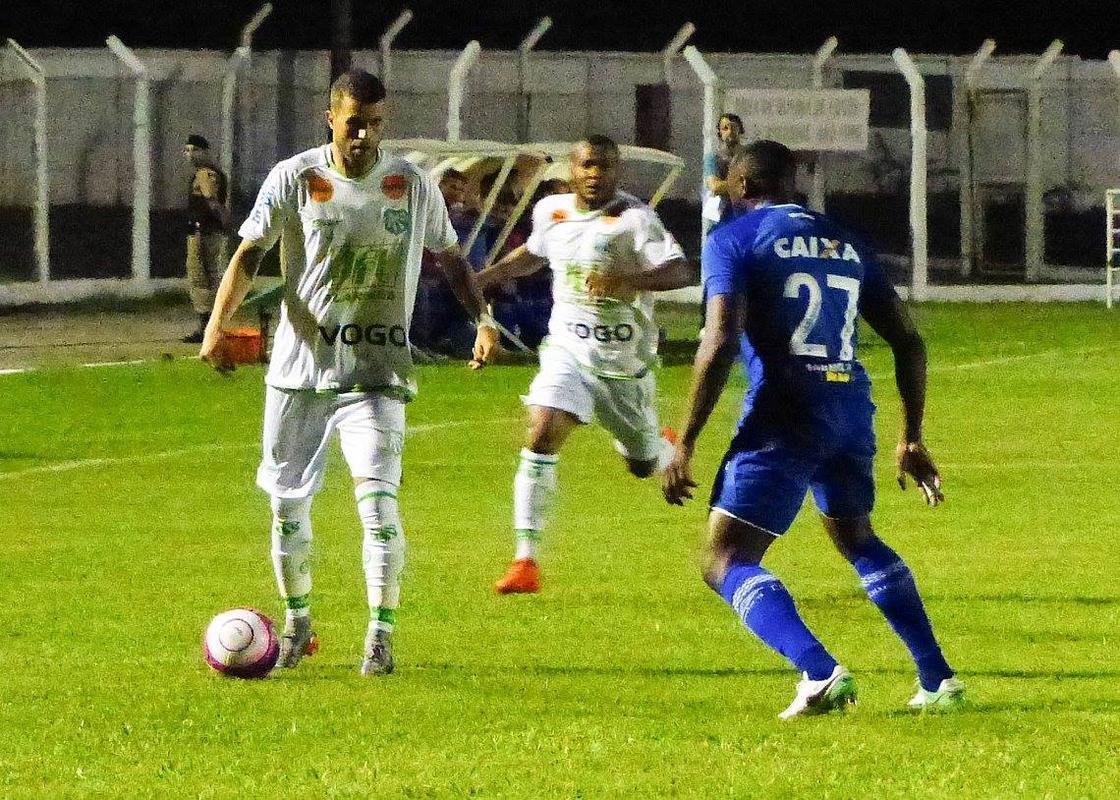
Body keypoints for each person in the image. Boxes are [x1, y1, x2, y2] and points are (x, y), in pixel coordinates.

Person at [199, 69, 499, 676]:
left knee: (379, 507)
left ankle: (380, 636)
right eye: (354, 122)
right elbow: (249, 254)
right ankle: (298, 622)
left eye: (375, 124)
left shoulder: (411, 184)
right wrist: (216, 325)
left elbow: (449, 257)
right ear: (330, 117)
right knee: (287, 508)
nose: (364, 135)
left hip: (376, 371)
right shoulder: (295, 177)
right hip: (299, 372)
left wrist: (484, 319)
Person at [663, 140, 962, 718]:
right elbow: (908, 340)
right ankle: (938, 679)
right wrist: (912, 436)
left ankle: (819, 671)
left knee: (724, 559)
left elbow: (719, 340)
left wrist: (688, 440)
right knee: (857, 538)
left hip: (785, 414)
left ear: (743, 185)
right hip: (849, 409)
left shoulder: (733, 240)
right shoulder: (844, 240)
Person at [476, 135, 696, 594]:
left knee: (642, 464)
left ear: (618, 172)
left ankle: (661, 448)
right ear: (571, 170)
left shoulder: (635, 219)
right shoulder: (551, 211)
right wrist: (483, 279)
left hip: (623, 365)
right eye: (588, 166)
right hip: (567, 352)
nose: (596, 175)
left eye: (605, 167)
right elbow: (534, 254)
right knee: (542, 431)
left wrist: (627, 279)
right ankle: (525, 560)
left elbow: (680, 271)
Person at [182, 134, 230, 343]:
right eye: (187, 150)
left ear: (205, 152)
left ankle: (205, 327)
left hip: (202, 231)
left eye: (195, 150)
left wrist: (219, 222)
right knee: (211, 277)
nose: (190, 154)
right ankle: (214, 325)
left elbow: (211, 201)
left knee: (199, 277)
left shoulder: (204, 173)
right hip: (210, 231)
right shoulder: (213, 172)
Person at [701, 113, 744, 231]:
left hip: (744, 216)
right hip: (720, 219)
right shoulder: (714, 158)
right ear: (720, 133)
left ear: (740, 130)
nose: (730, 132)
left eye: (733, 127)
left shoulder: (747, 157)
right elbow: (715, 187)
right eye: (725, 128)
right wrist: (741, 183)